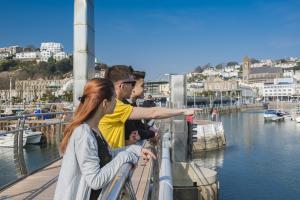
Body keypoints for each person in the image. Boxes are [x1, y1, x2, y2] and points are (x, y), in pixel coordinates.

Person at [54, 78, 155, 200]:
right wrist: (126, 157)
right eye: (114, 99)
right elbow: (95, 181)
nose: (116, 102)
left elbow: (108, 154)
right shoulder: (83, 133)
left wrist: (135, 150)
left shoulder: (94, 128)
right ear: (105, 103)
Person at [99, 65, 196, 148]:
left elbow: (110, 137)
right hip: (112, 162)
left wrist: (128, 142)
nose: (133, 87)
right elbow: (153, 112)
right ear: (122, 86)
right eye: (132, 84)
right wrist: (184, 111)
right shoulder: (115, 105)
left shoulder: (114, 103)